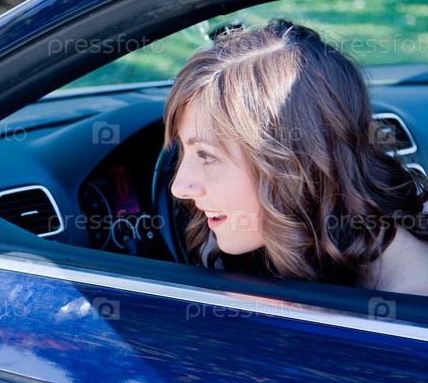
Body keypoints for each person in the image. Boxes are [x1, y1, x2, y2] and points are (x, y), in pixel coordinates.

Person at [163, 19, 428, 295]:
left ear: (295, 163)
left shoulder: (408, 308)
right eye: (183, 150)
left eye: (207, 155)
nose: (178, 188)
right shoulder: (280, 238)